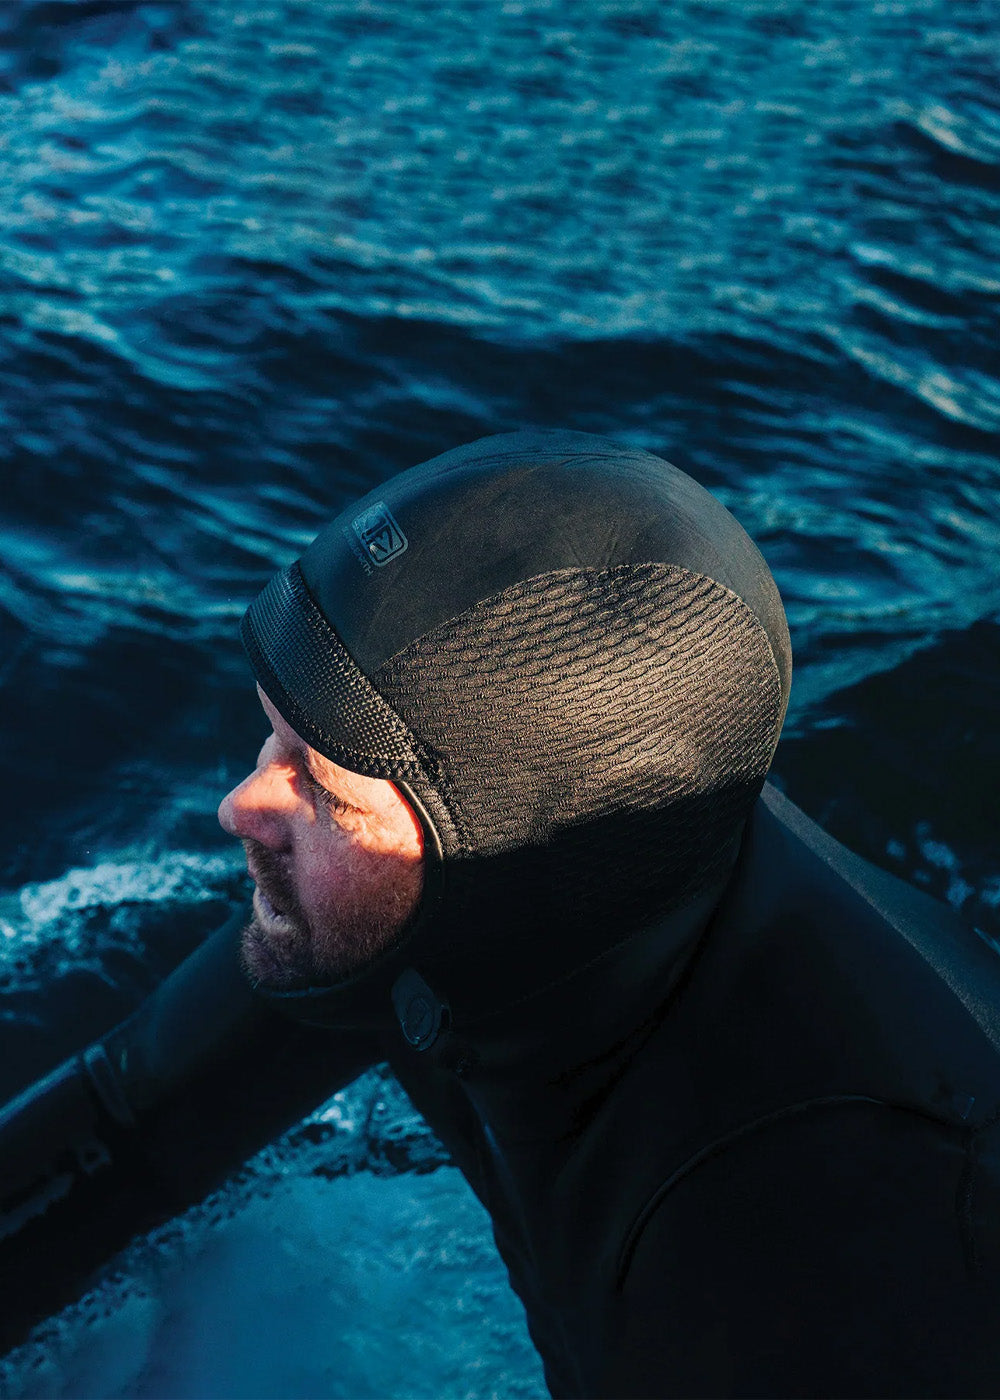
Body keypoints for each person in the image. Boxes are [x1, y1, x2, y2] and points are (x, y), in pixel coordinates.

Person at [3, 429, 1000, 1397]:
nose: (239, 804)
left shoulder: (821, 1251)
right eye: (274, 739)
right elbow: (126, 1128)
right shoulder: (434, 905)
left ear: (508, 867)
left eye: (322, 789)